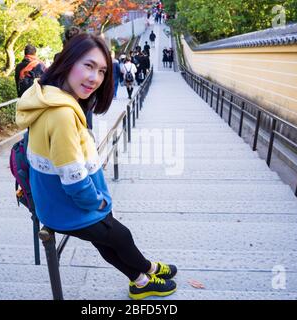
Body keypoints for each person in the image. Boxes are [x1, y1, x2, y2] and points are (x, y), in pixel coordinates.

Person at [15, 33, 177, 300]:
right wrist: (97, 202)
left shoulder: (45, 96)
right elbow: (73, 178)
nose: (95, 78)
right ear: (67, 61)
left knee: (106, 239)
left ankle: (140, 280)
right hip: (68, 208)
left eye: (101, 71)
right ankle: (147, 269)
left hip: (52, 202)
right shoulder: (63, 113)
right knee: (121, 236)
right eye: (88, 66)